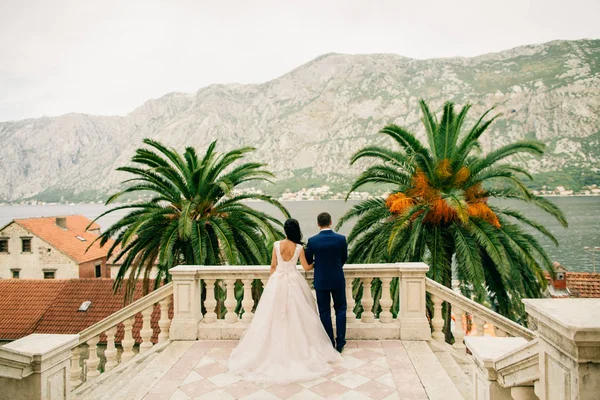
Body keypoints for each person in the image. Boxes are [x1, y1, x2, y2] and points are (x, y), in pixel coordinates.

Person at [228, 218, 341, 384]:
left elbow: (273, 266)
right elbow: (307, 267)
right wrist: (318, 261)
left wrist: (274, 281)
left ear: (285, 230)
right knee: (299, 314)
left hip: (278, 280)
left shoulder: (276, 245)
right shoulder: (299, 248)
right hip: (294, 281)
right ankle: (299, 350)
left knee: (273, 316)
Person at [305, 212, 348, 353]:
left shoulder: (312, 241)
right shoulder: (341, 239)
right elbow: (344, 258)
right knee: (341, 309)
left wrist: (320, 263)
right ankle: (340, 342)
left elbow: (309, 261)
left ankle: (329, 341)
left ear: (318, 224)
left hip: (321, 280)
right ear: (331, 222)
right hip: (337, 278)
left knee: (324, 311)